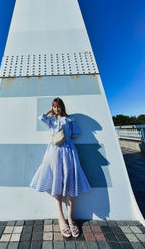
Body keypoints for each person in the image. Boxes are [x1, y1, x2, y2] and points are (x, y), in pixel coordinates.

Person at [30, 97, 91, 237]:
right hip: (54, 151)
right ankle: (61, 217)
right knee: (56, 180)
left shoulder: (69, 120)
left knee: (70, 179)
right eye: (54, 106)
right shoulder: (51, 120)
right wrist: (50, 111)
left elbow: (76, 133)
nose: (57, 109)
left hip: (69, 151)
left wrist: (66, 138)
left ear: (62, 107)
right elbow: (41, 117)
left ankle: (70, 218)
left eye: (58, 106)